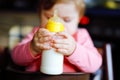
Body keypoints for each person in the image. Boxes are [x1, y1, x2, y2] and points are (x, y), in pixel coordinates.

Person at [11, 0, 102, 73]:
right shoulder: (37, 35)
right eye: (49, 17)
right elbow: (15, 58)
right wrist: (32, 48)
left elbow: (95, 65)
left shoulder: (81, 36)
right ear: (40, 14)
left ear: (79, 19)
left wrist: (74, 50)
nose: (58, 24)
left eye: (67, 20)